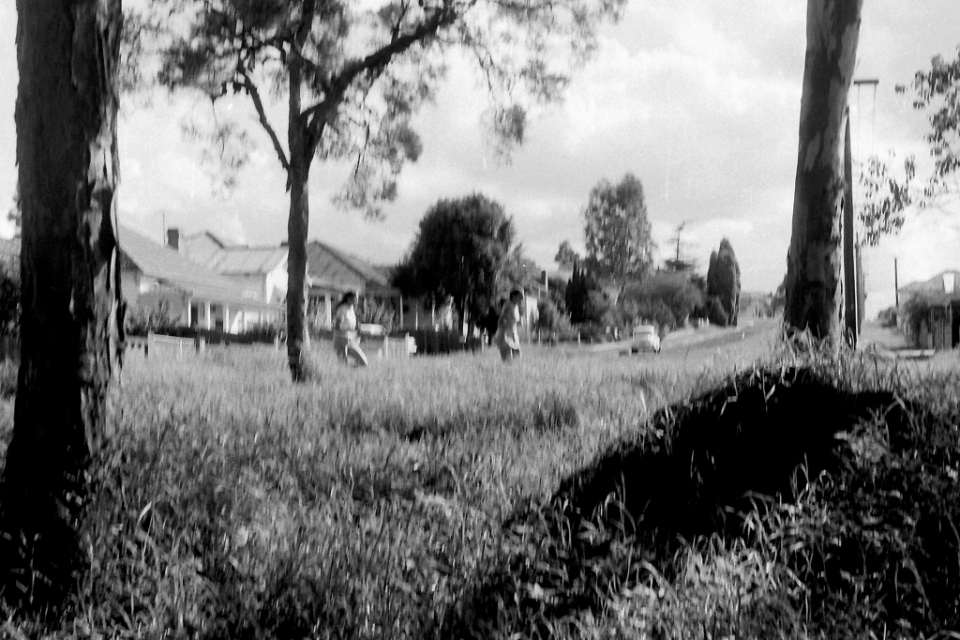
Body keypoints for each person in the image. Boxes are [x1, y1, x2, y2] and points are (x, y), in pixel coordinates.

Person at [333, 292, 368, 366]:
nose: (357, 301)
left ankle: (350, 371)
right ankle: (345, 373)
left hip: (349, 338)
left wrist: (358, 333)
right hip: (341, 338)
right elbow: (337, 325)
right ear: (349, 299)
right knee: (343, 363)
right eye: (355, 299)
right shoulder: (342, 308)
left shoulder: (351, 308)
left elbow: (352, 324)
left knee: (363, 362)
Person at [493, 288, 524, 362]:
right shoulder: (508, 305)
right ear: (513, 296)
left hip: (513, 334)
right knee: (508, 359)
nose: (522, 299)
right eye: (520, 297)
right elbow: (502, 319)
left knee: (517, 357)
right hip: (505, 334)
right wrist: (503, 334)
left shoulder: (515, 306)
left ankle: (514, 371)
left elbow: (513, 320)